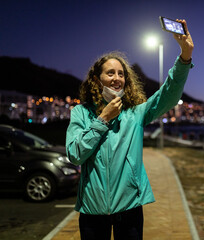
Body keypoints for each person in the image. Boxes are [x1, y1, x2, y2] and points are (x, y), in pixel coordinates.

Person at [66, 19, 194, 240]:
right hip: (92, 210)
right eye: (110, 73)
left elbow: (169, 94)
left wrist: (185, 56)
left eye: (121, 74)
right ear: (97, 80)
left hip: (130, 208)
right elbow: (75, 155)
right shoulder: (81, 113)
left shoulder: (135, 113)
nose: (117, 78)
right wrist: (103, 119)